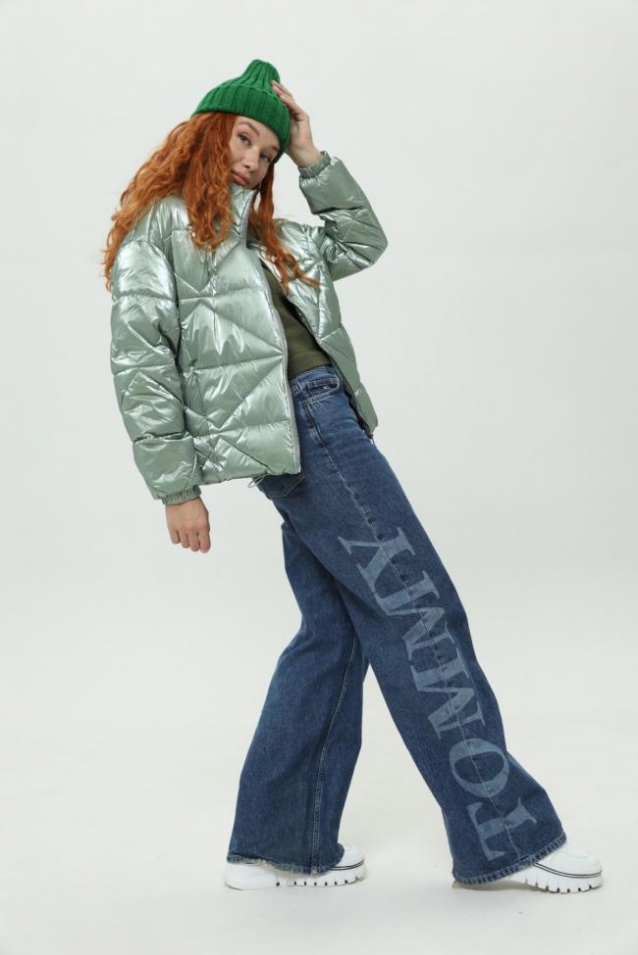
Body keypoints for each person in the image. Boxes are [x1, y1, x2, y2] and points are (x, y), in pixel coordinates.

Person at [103, 59, 603, 893]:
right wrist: (175, 486)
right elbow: (140, 361)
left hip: (325, 423)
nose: (253, 161)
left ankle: (281, 841)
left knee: (334, 634)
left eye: (266, 152)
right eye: (244, 139)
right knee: (418, 607)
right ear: (204, 133)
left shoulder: (273, 237)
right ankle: (506, 835)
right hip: (309, 436)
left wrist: (311, 155)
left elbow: (364, 241)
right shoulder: (163, 228)